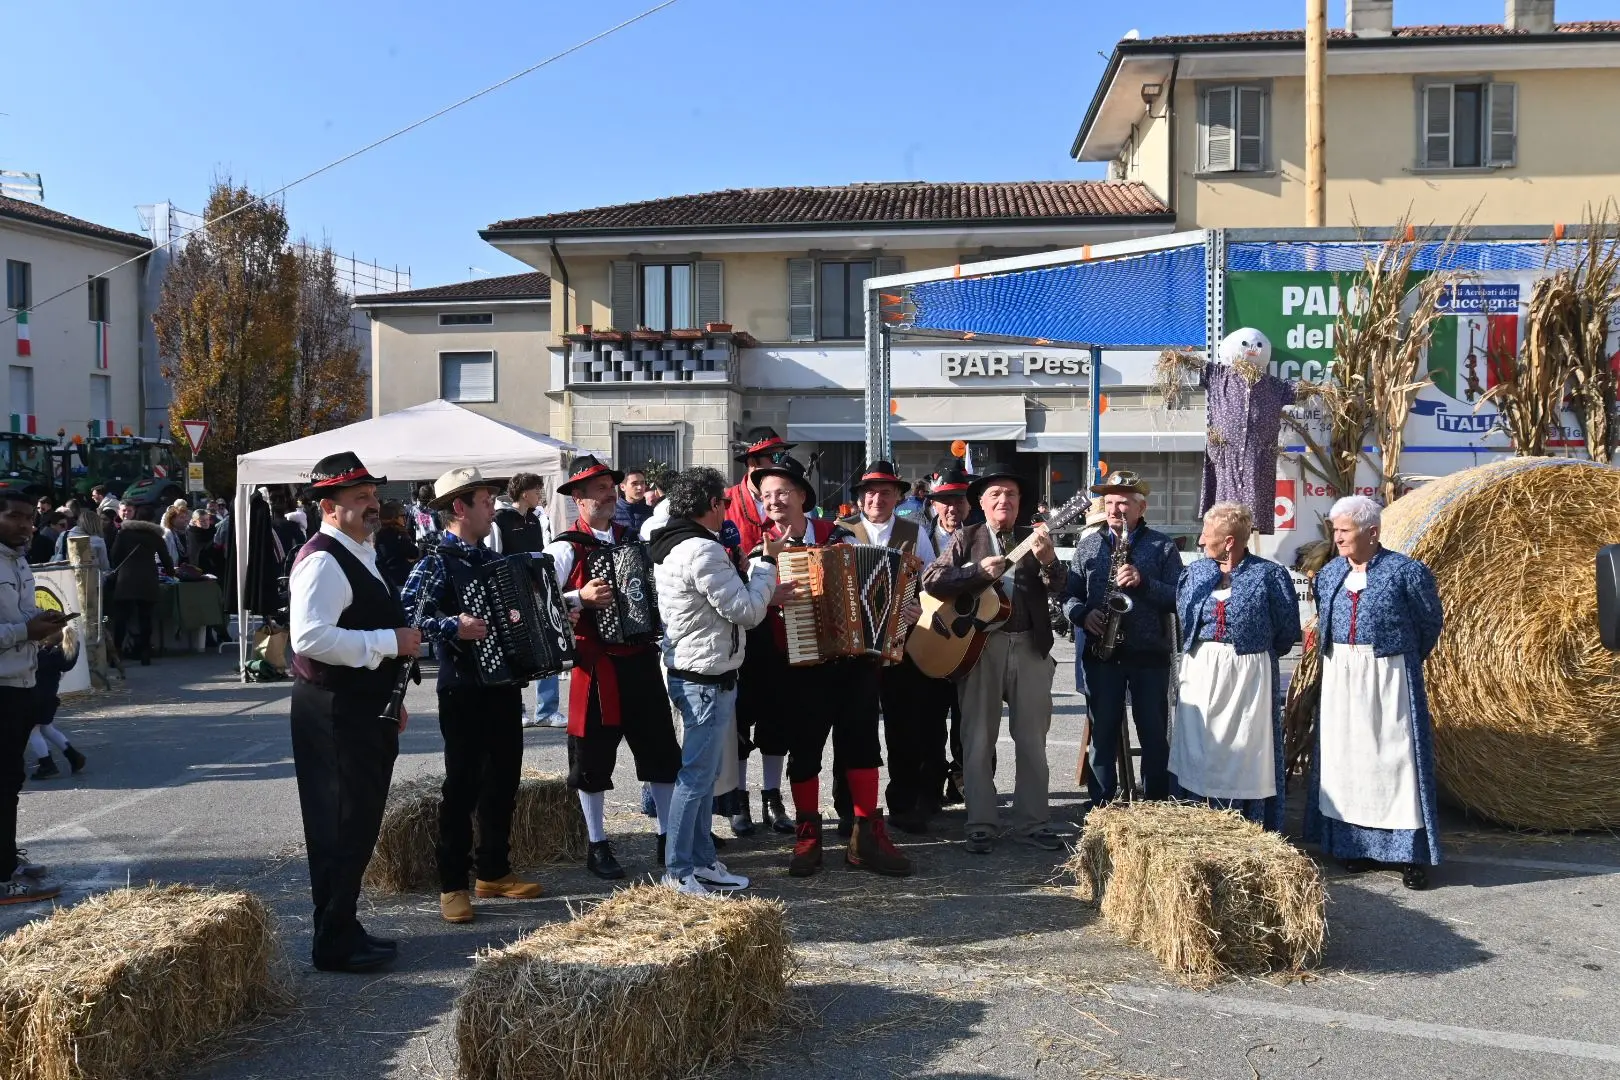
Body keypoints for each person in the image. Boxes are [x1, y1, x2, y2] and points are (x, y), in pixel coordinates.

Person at [287, 452, 420, 971]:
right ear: (328, 508)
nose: (371, 506)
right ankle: (333, 939)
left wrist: (391, 698)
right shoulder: (323, 558)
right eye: (359, 498)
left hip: (360, 704)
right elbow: (309, 637)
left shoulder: (357, 550)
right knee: (339, 824)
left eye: (372, 496)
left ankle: (344, 921)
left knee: (357, 821)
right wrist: (389, 640)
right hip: (334, 708)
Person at [401, 467, 545, 924]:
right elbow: (408, 618)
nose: (494, 508)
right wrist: (453, 627)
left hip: (503, 686)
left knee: (503, 780)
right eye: (486, 501)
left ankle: (494, 871)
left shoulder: (491, 559)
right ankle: (451, 884)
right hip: (462, 687)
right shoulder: (435, 562)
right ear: (459, 507)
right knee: (461, 785)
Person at [649, 466, 791, 894]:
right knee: (696, 779)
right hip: (704, 676)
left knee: (701, 777)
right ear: (712, 505)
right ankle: (678, 871)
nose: (728, 509)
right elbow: (746, 612)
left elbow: (727, 605)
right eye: (724, 503)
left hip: (698, 670)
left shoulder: (675, 542)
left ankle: (702, 862)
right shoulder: (702, 551)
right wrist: (767, 563)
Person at [542, 455, 682, 880]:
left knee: (660, 750)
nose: (608, 495)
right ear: (579, 498)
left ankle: (667, 836)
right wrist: (577, 598)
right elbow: (537, 598)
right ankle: (597, 842)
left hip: (639, 659)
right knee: (592, 758)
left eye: (609, 487)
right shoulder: (566, 546)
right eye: (599, 489)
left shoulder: (633, 539)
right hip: (596, 665)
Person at [921, 465, 1064, 854]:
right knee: (977, 738)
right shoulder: (966, 538)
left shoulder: (1033, 539)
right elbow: (931, 579)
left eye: (1012, 495)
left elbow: (1064, 587)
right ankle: (981, 822)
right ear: (981, 503)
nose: (1005, 501)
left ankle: (1033, 822)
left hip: (1030, 644)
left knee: (1032, 739)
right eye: (996, 495)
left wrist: (1050, 562)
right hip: (980, 647)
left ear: (1021, 504)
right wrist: (972, 573)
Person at [1306, 495, 1444, 890]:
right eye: (1335, 531)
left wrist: (1397, 660)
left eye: (1345, 531)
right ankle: (1355, 846)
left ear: (1372, 532)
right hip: (1340, 674)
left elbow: (1428, 623)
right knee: (1348, 758)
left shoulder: (1407, 572)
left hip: (1388, 672)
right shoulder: (1330, 574)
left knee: (1393, 757)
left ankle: (1409, 855)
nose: (1338, 538)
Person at [1171, 502, 1300, 830]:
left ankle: (1246, 820)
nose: (1200, 541)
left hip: (1247, 672)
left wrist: (1248, 654)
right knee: (1198, 743)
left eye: (1207, 535)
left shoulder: (1269, 575)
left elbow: (1286, 630)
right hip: (1200, 668)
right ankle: (1196, 818)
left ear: (1229, 541)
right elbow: (1182, 617)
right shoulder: (1195, 573)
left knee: (1244, 747)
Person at [731, 455, 834, 840]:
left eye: (781, 493)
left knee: (780, 727)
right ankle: (739, 798)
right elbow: (732, 596)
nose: (772, 502)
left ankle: (772, 797)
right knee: (742, 724)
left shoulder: (828, 536)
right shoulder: (747, 541)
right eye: (766, 495)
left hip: (807, 648)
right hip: (756, 644)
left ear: (802, 496)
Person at [1064, 471, 1181, 807]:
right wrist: (1083, 616)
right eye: (1110, 502)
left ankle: (1157, 804)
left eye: (1124, 503)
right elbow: (1068, 596)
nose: (1115, 509)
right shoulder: (1087, 545)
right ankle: (1101, 804)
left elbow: (1178, 597)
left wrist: (1144, 583)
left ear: (1140, 508)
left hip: (1149, 655)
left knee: (1154, 736)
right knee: (1101, 736)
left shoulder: (1162, 546)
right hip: (1103, 655)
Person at [1, 487, 71, 904]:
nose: (26, 525)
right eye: (14, 516)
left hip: (20, 682)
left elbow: (18, 616)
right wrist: (24, 632)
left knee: (10, 779)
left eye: (29, 517)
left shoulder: (18, 559)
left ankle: (6, 860)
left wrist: (43, 623)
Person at [487, 473, 564, 729]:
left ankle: (547, 709)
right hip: (511, 594)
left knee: (549, 644)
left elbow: (544, 552)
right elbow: (494, 557)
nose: (540, 494)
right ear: (523, 493)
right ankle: (517, 708)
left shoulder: (538, 519)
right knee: (515, 649)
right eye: (537, 490)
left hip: (537, 590)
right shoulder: (500, 520)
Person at [919, 467, 972, 811]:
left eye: (958, 500)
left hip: (970, 639)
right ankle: (930, 786)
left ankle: (967, 782)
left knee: (970, 719)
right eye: (944, 501)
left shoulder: (982, 537)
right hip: (930, 637)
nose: (951, 508)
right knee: (929, 718)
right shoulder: (920, 537)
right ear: (933, 505)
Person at [108, 501, 174, 665]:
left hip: (126, 580)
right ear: (152, 519)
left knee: (122, 618)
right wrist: (171, 572)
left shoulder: (124, 533)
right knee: (145, 618)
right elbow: (166, 559)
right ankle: (145, 653)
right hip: (148, 580)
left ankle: (117, 652)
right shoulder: (155, 536)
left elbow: (114, 556)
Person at [724, 427, 795, 556]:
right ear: (752, 462)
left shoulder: (793, 499)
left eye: (784, 456)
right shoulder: (724, 502)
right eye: (775, 457)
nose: (781, 464)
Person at [27, 634, 86, 780]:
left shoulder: (45, 655)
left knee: (32, 731)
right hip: (49, 697)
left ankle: (47, 765)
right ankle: (73, 756)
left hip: (36, 697)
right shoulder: (59, 653)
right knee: (47, 728)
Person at [373, 501, 419, 595]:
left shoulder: (376, 533)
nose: (405, 518)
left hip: (383, 580)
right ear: (393, 517)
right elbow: (414, 553)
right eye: (402, 515)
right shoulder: (398, 534)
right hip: (400, 581)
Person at [54, 508, 112, 575]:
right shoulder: (98, 541)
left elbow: (57, 553)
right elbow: (104, 565)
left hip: (64, 574)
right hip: (88, 578)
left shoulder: (64, 535)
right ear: (96, 524)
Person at [613, 468, 654, 533]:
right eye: (634, 483)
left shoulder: (652, 512)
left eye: (642, 483)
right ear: (622, 487)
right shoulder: (612, 513)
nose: (640, 487)